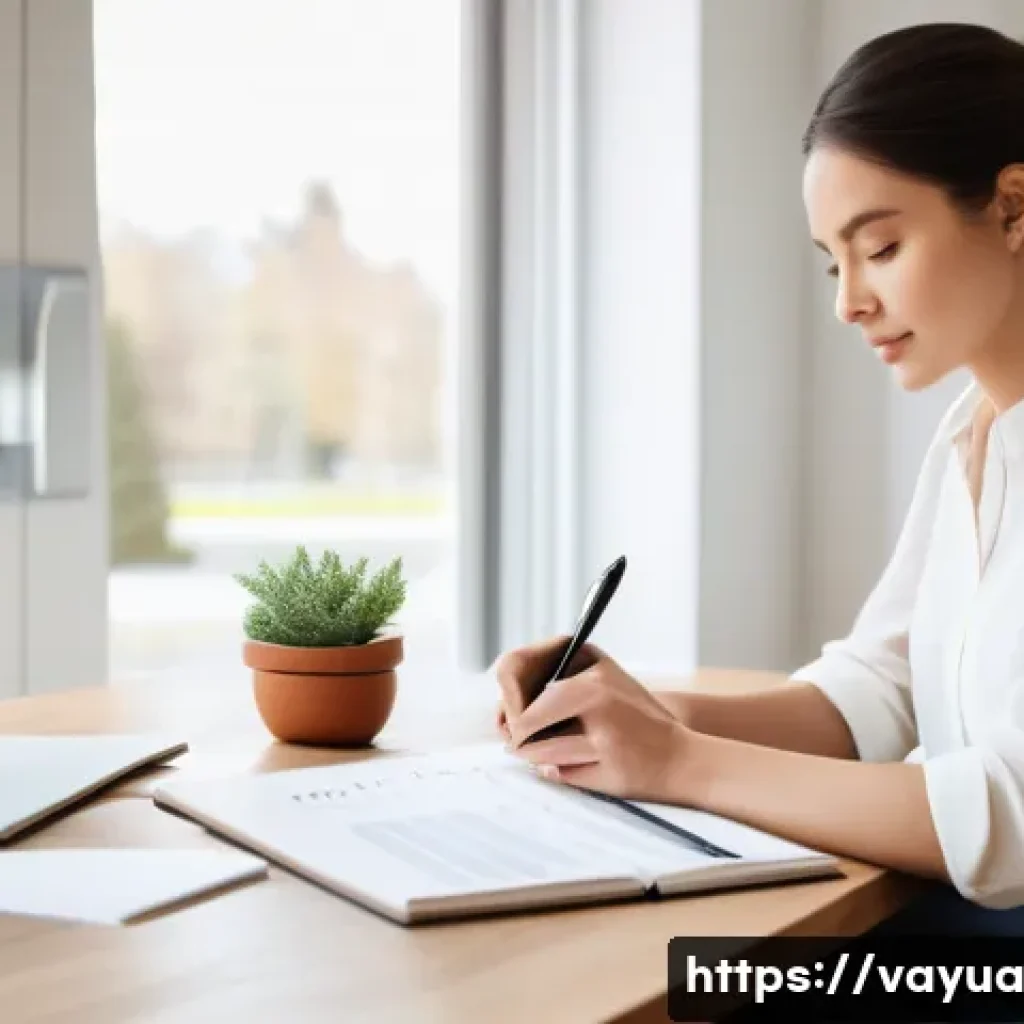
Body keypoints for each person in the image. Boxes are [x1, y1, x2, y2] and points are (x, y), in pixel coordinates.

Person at [494, 22, 1024, 938]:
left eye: (881, 248)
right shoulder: (970, 436)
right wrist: (637, 713)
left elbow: (1008, 824)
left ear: (1015, 208)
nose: (847, 300)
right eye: (835, 261)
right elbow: (875, 693)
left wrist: (680, 763)